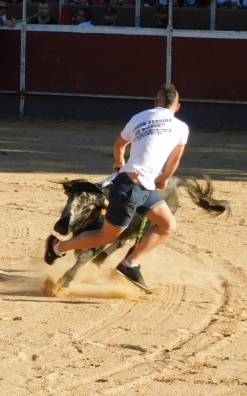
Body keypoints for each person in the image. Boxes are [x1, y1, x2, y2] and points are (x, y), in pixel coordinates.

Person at [44, 84, 190, 292]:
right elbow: (175, 161)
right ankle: (57, 246)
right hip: (131, 188)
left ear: (155, 102)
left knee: (167, 225)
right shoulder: (181, 127)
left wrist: (119, 163)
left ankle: (130, 263)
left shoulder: (140, 117)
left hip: (137, 185)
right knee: (107, 236)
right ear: (177, 107)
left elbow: (119, 145)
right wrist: (164, 179)